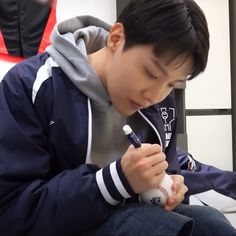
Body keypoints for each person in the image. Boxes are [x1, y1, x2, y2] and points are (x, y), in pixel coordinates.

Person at [0, 0, 235, 235]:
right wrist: (115, 181)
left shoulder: (162, 99)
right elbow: (11, 211)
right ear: (115, 38)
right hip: (61, 224)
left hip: (136, 215)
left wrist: (171, 184)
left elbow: (170, 168)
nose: (155, 95)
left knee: (211, 224)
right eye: (151, 73)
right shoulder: (31, 85)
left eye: (172, 84)